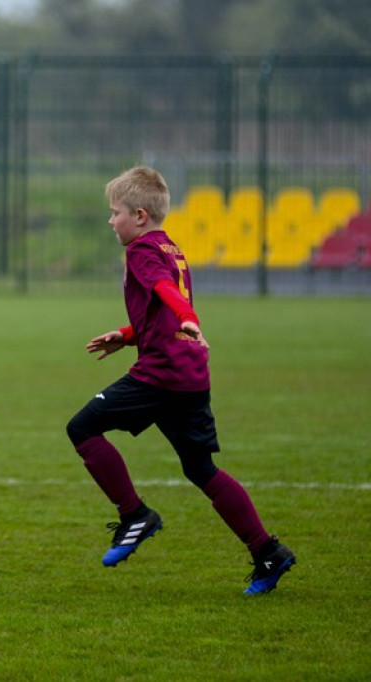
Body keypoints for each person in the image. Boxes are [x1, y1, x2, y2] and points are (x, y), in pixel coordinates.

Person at [65, 166, 296, 594]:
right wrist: (128, 334)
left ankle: (135, 516)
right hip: (189, 373)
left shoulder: (140, 252)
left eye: (114, 213)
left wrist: (188, 319)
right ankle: (268, 552)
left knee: (81, 428)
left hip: (161, 375)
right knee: (200, 467)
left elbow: (170, 297)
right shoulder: (171, 246)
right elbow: (163, 303)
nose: (110, 220)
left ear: (138, 215)